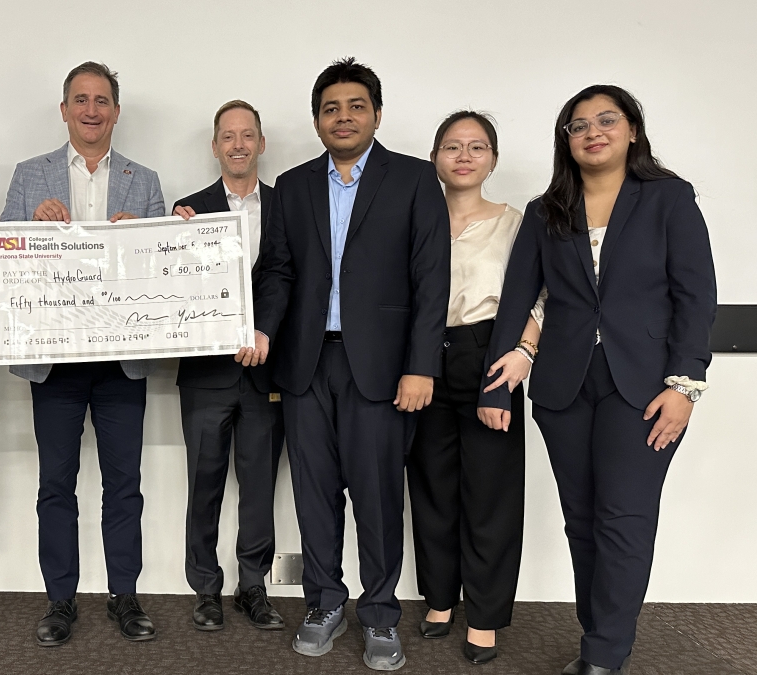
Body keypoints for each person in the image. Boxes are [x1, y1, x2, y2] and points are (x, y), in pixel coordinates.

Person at [479, 85, 716, 675]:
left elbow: (695, 296)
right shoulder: (547, 209)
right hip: (563, 388)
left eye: (606, 120)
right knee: (581, 520)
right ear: (566, 140)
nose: (593, 132)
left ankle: (604, 656)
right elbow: (519, 298)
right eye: (578, 125)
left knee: (624, 518)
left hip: (645, 389)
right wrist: (494, 385)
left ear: (632, 129)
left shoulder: (668, 199)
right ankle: (601, 633)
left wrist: (685, 386)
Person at [248, 57, 451, 670]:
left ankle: (381, 613)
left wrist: (421, 367)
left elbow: (429, 279)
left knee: (379, 494)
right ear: (316, 121)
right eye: (331, 108)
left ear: (377, 115)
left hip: (385, 371)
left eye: (355, 106)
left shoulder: (415, 180)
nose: (343, 117)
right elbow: (280, 271)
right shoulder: (293, 186)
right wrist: (262, 326)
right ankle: (324, 601)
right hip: (307, 365)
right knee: (314, 494)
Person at [0, 61, 166, 646]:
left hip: (122, 361)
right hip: (55, 361)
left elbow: (162, 271)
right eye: (80, 99)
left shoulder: (144, 181)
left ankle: (125, 595)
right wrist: (28, 224)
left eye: (101, 100)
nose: (91, 110)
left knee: (124, 484)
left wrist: (139, 237)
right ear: (64, 109)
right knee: (56, 484)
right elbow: (5, 260)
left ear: (115, 111)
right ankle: (60, 600)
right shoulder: (29, 175)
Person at [407, 111, 543, 665]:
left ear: (492, 158)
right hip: (421, 359)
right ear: (435, 156)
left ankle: (484, 616)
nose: (464, 156)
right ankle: (440, 600)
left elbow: (544, 295)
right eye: (452, 146)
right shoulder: (415, 216)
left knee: (490, 495)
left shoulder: (515, 222)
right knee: (432, 487)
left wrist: (522, 356)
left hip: (490, 356)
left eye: (477, 147)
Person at [172, 100, 285, 632]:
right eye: (228, 136)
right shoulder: (187, 210)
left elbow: (289, 277)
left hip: (267, 371)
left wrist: (266, 332)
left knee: (260, 485)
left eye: (248, 135)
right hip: (205, 375)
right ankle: (206, 588)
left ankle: (254, 587)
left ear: (261, 144)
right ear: (215, 146)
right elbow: (168, 283)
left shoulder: (288, 205)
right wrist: (169, 241)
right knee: (204, 483)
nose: (238, 145)